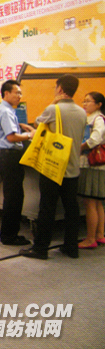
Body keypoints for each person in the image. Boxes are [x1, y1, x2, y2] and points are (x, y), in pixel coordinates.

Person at [19, 74, 86, 260]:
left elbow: (37, 123)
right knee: (71, 209)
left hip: (53, 168)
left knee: (47, 208)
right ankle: (71, 247)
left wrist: (53, 102)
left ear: (60, 89)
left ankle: (41, 248)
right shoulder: (82, 112)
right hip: (73, 168)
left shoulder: (53, 109)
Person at [0, 80, 32, 246]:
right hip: (10, 158)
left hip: (7, 157)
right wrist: (30, 135)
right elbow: (11, 137)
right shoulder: (6, 111)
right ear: (6, 93)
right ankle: (9, 236)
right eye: (17, 93)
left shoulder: (4, 109)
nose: (19, 96)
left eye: (20, 93)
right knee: (13, 198)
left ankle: (10, 234)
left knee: (13, 197)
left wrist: (21, 127)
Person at [77, 91, 105, 249]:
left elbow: (94, 139)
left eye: (88, 101)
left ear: (99, 104)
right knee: (97, 202)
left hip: (92, 164)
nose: (85, 104)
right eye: (84, 101)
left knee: (90, 202)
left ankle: (90, 239)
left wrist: (79, 148)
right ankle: (99, 235)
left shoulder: (98, 119)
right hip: (97, 166)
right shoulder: (93, 118)